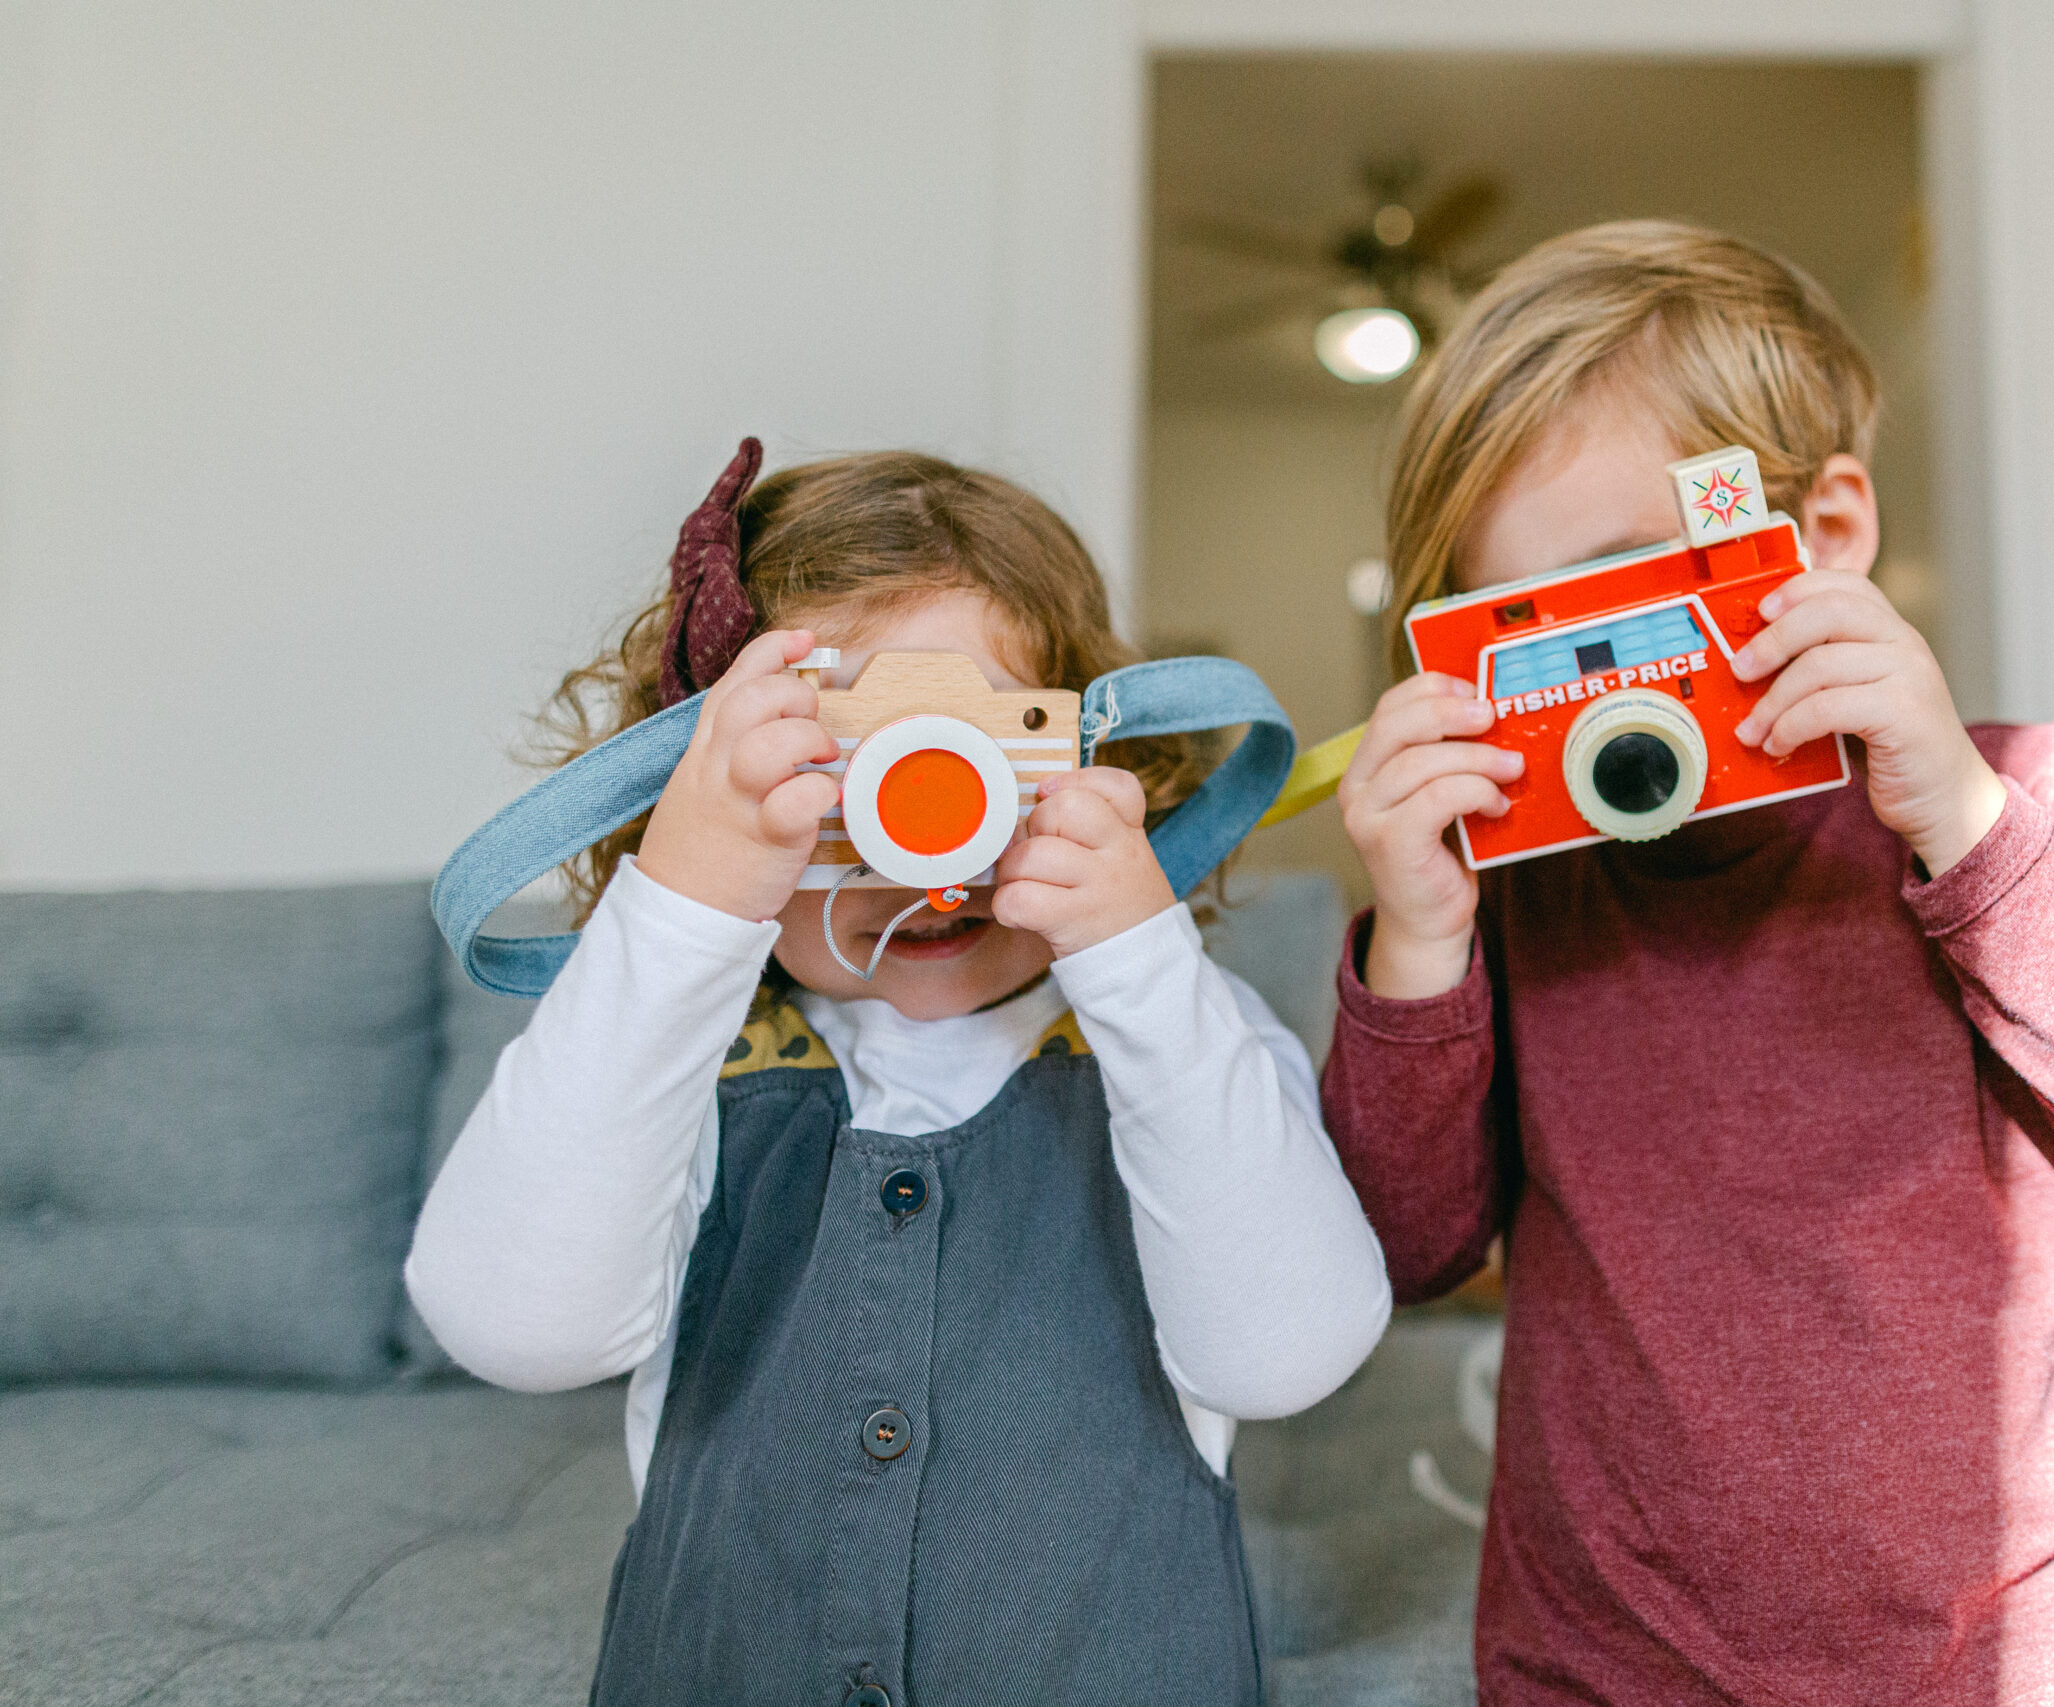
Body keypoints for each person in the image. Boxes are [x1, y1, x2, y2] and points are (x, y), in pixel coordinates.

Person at [1323, 222, 2054, 1705]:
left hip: (2009, 1661)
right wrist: (1416, 942)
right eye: (1519, 645)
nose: (1598, 690)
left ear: (1827, 533)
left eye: (1626, 600)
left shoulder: (2017, 797)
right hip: (1605, 1665)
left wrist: (1971, 833)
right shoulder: (1519, 896)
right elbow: (1399, 1250)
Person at [407, 443, 1390, 1706]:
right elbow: (513, 1327)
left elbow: (1286, 1354)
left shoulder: (1181, 1043)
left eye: (991, 747)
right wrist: (686, 907)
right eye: (845, 761)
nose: (929, 828)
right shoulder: (681, 1068)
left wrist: (1139, 961)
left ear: (1096, 762)